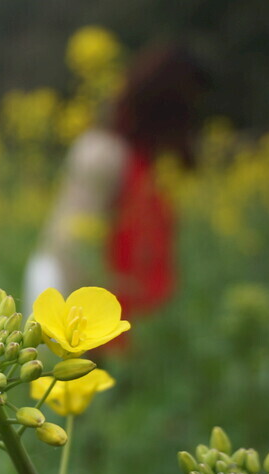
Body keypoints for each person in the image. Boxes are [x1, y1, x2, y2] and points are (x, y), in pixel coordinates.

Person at [24, 46, 211, 318]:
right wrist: (76, 326)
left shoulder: (148, 160)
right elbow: (71, 245)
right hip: (78, 308)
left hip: (118, 311)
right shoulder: (103, 153)